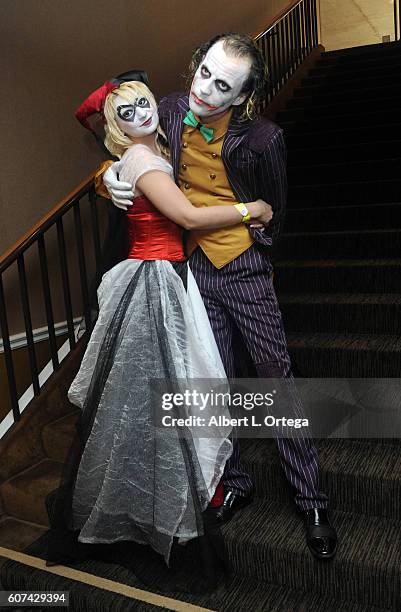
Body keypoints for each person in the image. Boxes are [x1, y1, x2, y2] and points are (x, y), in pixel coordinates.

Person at [101, 33, 338, 560]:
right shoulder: (168, 109)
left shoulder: (263, 139)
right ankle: (233, 482)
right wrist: (109, 176)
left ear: (242, 97)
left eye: (222, 85)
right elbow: (125, 139)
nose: (205, 91)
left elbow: (273, 208)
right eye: (203, 72)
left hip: (245, 269)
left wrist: (260, 257)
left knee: (276, 381)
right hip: (194, 271)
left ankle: (312, 499)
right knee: (216, 379)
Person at [46, 76, 274, 575]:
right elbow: (187, 217)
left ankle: (173, 495)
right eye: (124, 113)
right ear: (115, 126)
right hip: (157, 280)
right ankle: (173, 503)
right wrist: (250, 208)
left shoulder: (156, 144)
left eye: (142, 104)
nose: (140, 115)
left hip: (167, 275)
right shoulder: (145, 160)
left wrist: (105, 172)